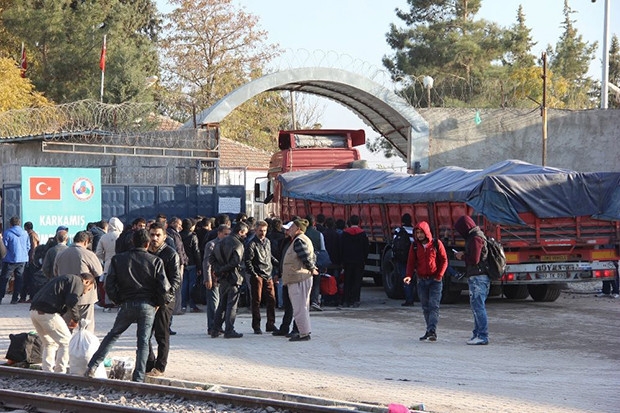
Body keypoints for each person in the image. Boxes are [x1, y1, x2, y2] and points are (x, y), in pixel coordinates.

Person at [85, 229, 170, 382]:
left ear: (132, 242)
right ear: (147, 243)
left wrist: (118, 300)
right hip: (148, 305)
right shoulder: (156, 261)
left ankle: (92, 366)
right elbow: (164, 288)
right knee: (143, 342)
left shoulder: (118, 260)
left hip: (127, 303)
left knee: (113, 335)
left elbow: (109, 284)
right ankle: (138, 377)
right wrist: (158, 303)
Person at [30, 272, 96, 373]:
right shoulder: (77, 281)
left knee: (49, 343)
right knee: (66, 342)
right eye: (88, 289)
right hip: (48, 312)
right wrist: (76, 319)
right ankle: (60, 372)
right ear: (86, 282)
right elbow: (71, 301)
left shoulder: (65, 279)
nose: (85, 293)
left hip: (34, 312)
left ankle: (46, 371)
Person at [146, 222, 181, 377]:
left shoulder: (171, 254)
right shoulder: (145, 252)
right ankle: (149, 363)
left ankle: (160, 366)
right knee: (144, 333)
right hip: (147, 299)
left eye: (158, 235)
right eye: (152, 234)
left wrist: (163, 301)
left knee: (161, 334)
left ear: (164, 237)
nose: (154, 238)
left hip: (165, 301)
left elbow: (175, 280)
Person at [404, 221, 448, 341]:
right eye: (417, 233)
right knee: (425, 306)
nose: (419, 235)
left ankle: (432, 330)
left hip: (435, 281)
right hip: (421, 281)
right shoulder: (414, 246)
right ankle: (429, 329)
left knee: (434, 306)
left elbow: (444, 260)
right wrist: (408, 275)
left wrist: (439, 275)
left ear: (427, 232)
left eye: (421, 232)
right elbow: (411, 262)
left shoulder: (436, 243)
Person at [53, 230, 103, 333]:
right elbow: (99, 272)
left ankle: (66, 348)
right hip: (85, 297)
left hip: (66, 296)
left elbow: (55, 272)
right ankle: (84, 348)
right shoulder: (88, 254)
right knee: (86, 328)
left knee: (66, 329)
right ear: (86, 242)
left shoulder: (61, 254)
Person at [454, 215, 490, 345]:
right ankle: (477, 333)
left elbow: (474, 259)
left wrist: (462, 256)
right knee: (476, 307)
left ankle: (482, 335)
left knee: (478, 307)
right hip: (478, 276)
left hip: (478, 277)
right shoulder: (476, 235)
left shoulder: (475, 238)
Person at [209, 222, 249, 338]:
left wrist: (218, 269)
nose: (246, 236)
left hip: (223, 278)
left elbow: (212, 259)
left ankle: (215, 329)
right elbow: (236, 262)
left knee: (222, 304)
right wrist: (223, 269)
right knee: (231, 305)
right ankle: (229, 330)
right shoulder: (238, 244)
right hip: (233, 277)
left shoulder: (220, 243)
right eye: (245, 233)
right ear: (240, 232)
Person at [281, 218, 318, 342]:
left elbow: (306, 257)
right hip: (299, 277)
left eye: (292, 227)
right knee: (301, 306)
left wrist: (312, 268)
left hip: (299, 278)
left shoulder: (299, 241)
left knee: (299, 307)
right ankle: (304, 331)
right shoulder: (301, 239)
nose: (289, 230)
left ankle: (303, 333)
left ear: (298, 229)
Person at [244, 220, 278, 334]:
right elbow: (248, 260)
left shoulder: (267, 242)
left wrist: (278, 263)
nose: (262, 233)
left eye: (264, 231)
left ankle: (270, 323)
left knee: (271, 300)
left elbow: (269, 256)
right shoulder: (252, 243)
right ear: (255, 230)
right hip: (257, 274)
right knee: (256, 301)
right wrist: (254, 274)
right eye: (260, 231)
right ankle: (256, 325)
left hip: (268, 273)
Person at [202, 224, 230, 336]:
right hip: (213, 278)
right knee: (213, 304)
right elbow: (207, 263)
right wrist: (207, 278)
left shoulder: (228, 244)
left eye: (229, 234)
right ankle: (212, 327)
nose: (227, 236)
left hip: (224, 279)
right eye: (225, 234)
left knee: (221, 305)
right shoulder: (212, 245)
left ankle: (218, 326)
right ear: (219, 233)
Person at [340, 215, 369, 308]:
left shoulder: (345, 233)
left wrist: (343, 260)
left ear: (350, 222)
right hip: (359, 261)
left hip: (348, 261)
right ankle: (356, 300)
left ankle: (346, 301)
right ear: (358, 222)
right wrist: (364, 259)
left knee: (347, 280)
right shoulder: (362, 233)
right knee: (357, 281)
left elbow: (342, 248)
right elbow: (366, 248)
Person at [0, 216, 31, 304]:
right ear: (19, 223)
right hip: (22, 259)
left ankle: (0, 297)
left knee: (4, 279)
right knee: (19, 279)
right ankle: (14, 299)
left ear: (10, 224)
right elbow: (28, 246)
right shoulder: (25, 233)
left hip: (10, 259)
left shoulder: (7, 233)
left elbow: (4, 246)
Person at [180, 218, 202, 313]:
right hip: (192, 263)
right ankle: (192, 305)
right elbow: (196, 252)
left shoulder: (179, 235)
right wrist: (199, 265)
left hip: (182, 263)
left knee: (184, 284)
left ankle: (183, 304)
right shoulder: (193, 237)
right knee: (191, 285)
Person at [304, 214, 326, 311]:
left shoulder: (302, 234)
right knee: (316, 282)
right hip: (315, 261)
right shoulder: (319, 234)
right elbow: (322, 249)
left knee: (304, 283)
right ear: (314, 223)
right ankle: (314, 301)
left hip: (303, 261)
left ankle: (305, 301)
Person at [393, 214, 415, 306]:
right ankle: (413, 296)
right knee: (413, 277)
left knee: (405, 277)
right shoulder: (414, 231)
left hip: (401, 258)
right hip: (412, 258)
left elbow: (394, 243)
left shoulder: (398, 230)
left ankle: (409, 299)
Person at [20, 221, 40, 303]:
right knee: (28, 279)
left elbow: (33, 247)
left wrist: (31, 259)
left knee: (29, 279)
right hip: (31, 259)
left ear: (25, 227)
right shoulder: (33, 234)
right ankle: (25, 297)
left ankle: (31, 297)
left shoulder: (31, 235)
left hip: (31, 260)